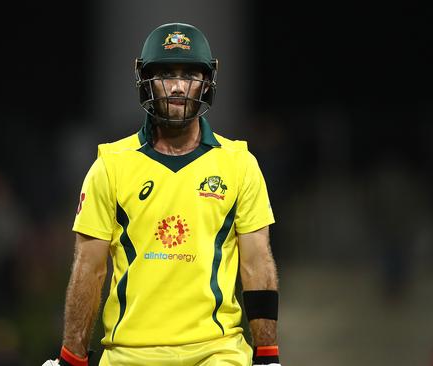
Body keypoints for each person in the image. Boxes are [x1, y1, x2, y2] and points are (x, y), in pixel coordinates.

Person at [44, 22, 280, 366]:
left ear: (207, 81)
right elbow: (89, 269)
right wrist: (71, 359)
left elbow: (256, 264)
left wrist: (267, 356)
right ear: (144, 79)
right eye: (167, 74)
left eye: (190, 74)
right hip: (127, 355)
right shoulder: (110, 166)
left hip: (217, 352)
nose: (179, 86)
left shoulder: (240, 165)